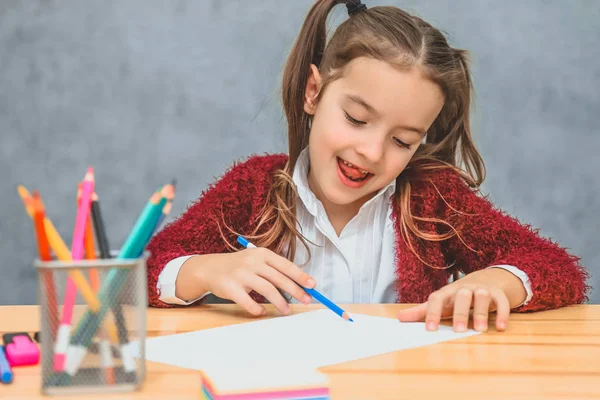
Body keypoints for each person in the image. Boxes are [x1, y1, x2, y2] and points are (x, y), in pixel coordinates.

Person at [145, 0, 590, 333]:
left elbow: (557, 268)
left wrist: (497, 281)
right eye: (356, 119)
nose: (373, 153)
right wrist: (204, 271)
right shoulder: (251, 189)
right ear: (313, 92)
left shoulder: (433, 199)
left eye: (402, 140)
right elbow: (139, 274)